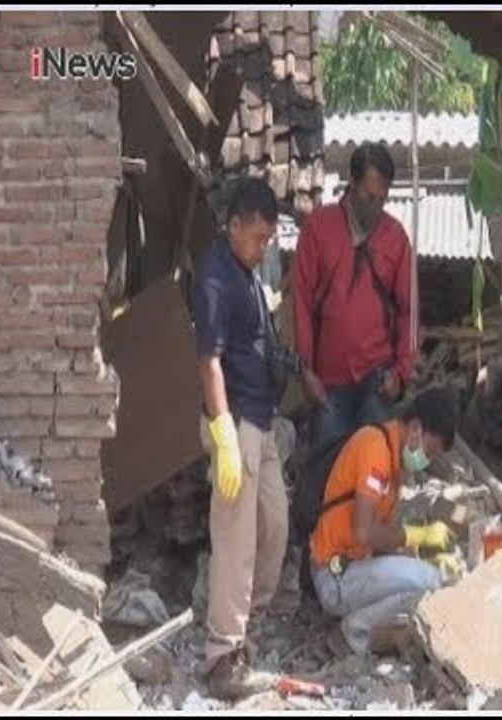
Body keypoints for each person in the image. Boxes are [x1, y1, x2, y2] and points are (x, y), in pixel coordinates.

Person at [192, 178, 321, 699]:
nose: (263, 246)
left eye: (269, 239)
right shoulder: (215, 279)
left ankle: (247, 623)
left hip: (262, 423)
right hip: (237, 424)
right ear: (235, 224)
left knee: (275, 525)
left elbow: (260, 346)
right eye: (259, 237)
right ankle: (223, 656)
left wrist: (301, 371)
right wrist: (222, 432)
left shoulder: (245, 275)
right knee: (236, 542)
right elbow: (210, 361)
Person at [309, 387, 461, 655]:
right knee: (428, 581)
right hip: (334, 576)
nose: (428, 460)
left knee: (425, 582)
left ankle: (356, 629)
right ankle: (352, 635)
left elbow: (379, 540)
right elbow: (363, 533)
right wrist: (418, 536)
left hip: (350, 568)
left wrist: (417, 553)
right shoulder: (375, 450)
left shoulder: (392, 459)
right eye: (431, 450)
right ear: (415, 428)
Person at [292, 141, 415, 456]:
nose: (374, 208)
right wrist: (306, 370)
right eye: (368, 197)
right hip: (327, 382)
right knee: (326, 472)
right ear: (352, 183)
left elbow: (408, 313)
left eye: (382, 200)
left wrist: (400, 372)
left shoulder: (395, 237)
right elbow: (302, 303)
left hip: (377, 377)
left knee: (373, 472)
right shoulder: (318, 229)